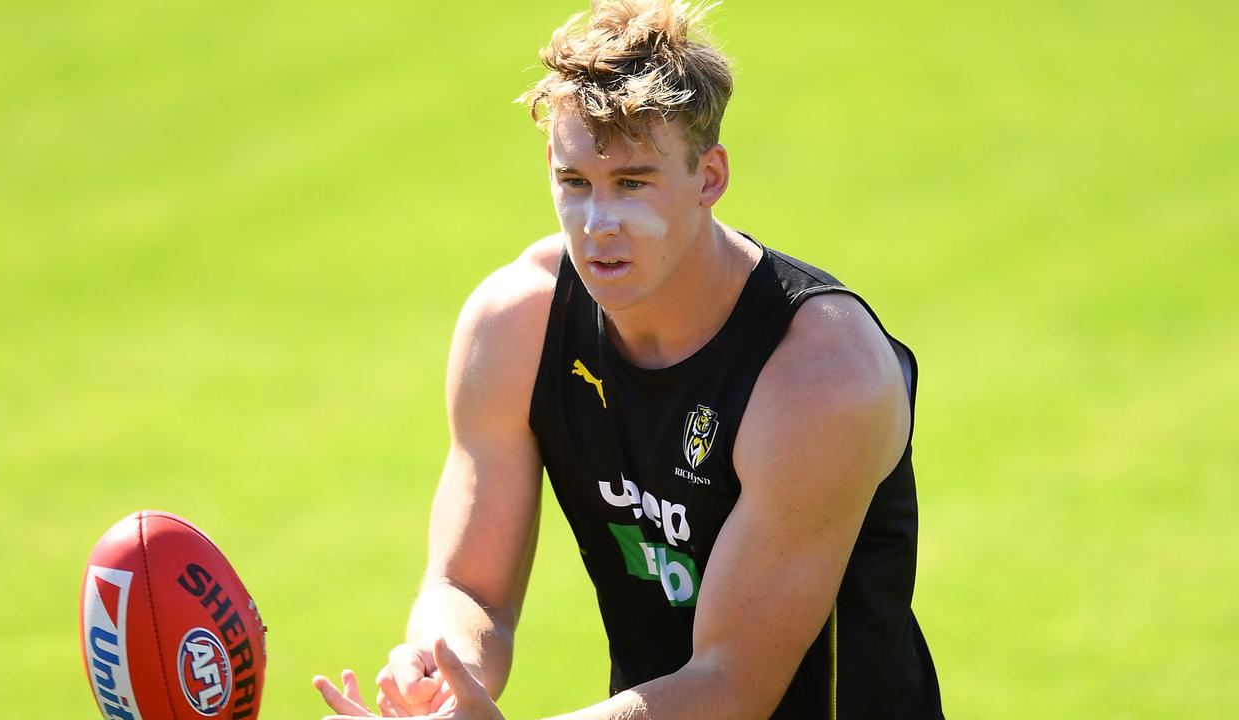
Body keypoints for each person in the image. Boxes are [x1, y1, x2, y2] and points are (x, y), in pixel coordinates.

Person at [314, 1, 942, 717]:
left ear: (710, 178)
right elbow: (468, 589)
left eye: (633, 183)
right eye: (574, 183)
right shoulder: (516, 324)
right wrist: (440, 669)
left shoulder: (821, 373)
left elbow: (731, 685)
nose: (598, 225)